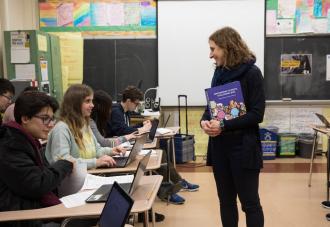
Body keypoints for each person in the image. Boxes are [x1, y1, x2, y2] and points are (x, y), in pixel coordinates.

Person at [200, 27, 265, 227]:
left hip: (243, 149)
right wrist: (204, 121)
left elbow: (257, 114)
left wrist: (223, 126)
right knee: (226, 202)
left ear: (227, 47)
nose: (210, 55)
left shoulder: (252, 73)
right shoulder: (219, 73)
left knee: (250, 204)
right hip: (220, 148)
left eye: (213, 49)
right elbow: (211, 106)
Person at [0, 91, 73, 227]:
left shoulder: (27, 141)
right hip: (18, 219)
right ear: (25, 118)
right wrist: (64, 165)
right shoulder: (10, 145)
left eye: (52, 119)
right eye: (45, 118)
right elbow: (37, 184)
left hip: (31, 213)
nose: (51, 124)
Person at [45, 84, 125, 170]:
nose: (92, 105)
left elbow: (96, 150)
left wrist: (111, 151)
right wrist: (95, 162)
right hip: (72, 181)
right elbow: (62, 161)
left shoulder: (84, 125)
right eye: (87, 101)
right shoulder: (61, 129)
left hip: (89, 175)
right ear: (75, 104)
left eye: (92, 101)